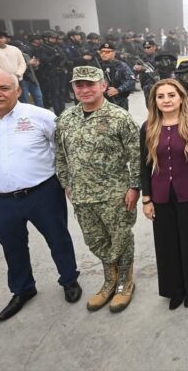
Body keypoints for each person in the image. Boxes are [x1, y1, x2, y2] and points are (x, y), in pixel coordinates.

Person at [0, 71, 81, 321]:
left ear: (18, 90)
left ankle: (69, 279)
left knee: (58, 239)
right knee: (12, 247)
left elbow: (61, 148)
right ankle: (23, 289)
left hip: (43, 193)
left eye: (4, 88)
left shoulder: (41, 117)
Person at [55, 66, 141, 313]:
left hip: (114, 194)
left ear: (103, 86)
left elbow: (136, 155)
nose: (84, 90)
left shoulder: (119, 117)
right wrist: (66, 184)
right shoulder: (66, 119)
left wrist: (135, 187)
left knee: (121, 239)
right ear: (73, 88)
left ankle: (125, 283)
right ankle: (109, 281)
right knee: (96, 240)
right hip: (82, 196)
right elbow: (61, 154)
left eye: (90, 84)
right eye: (79, 85)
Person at [140, 79, 188, 309]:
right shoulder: (149, 127)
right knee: (166, 243)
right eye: (161, 96)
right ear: (155, 101)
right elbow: (143, 164)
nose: (166, 100)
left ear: (181, 97)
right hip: (161, 194)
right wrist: (146, 198)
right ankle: (175, 289)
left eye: (171, 95)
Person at [97, 42, 136, 110]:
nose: (103, 54)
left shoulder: (121, 65)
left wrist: (118, 90)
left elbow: (131, 80)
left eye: (107, 52)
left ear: (114, 53)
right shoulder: (97, 66)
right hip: (102, 102)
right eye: (101, 52)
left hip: (119, 101)